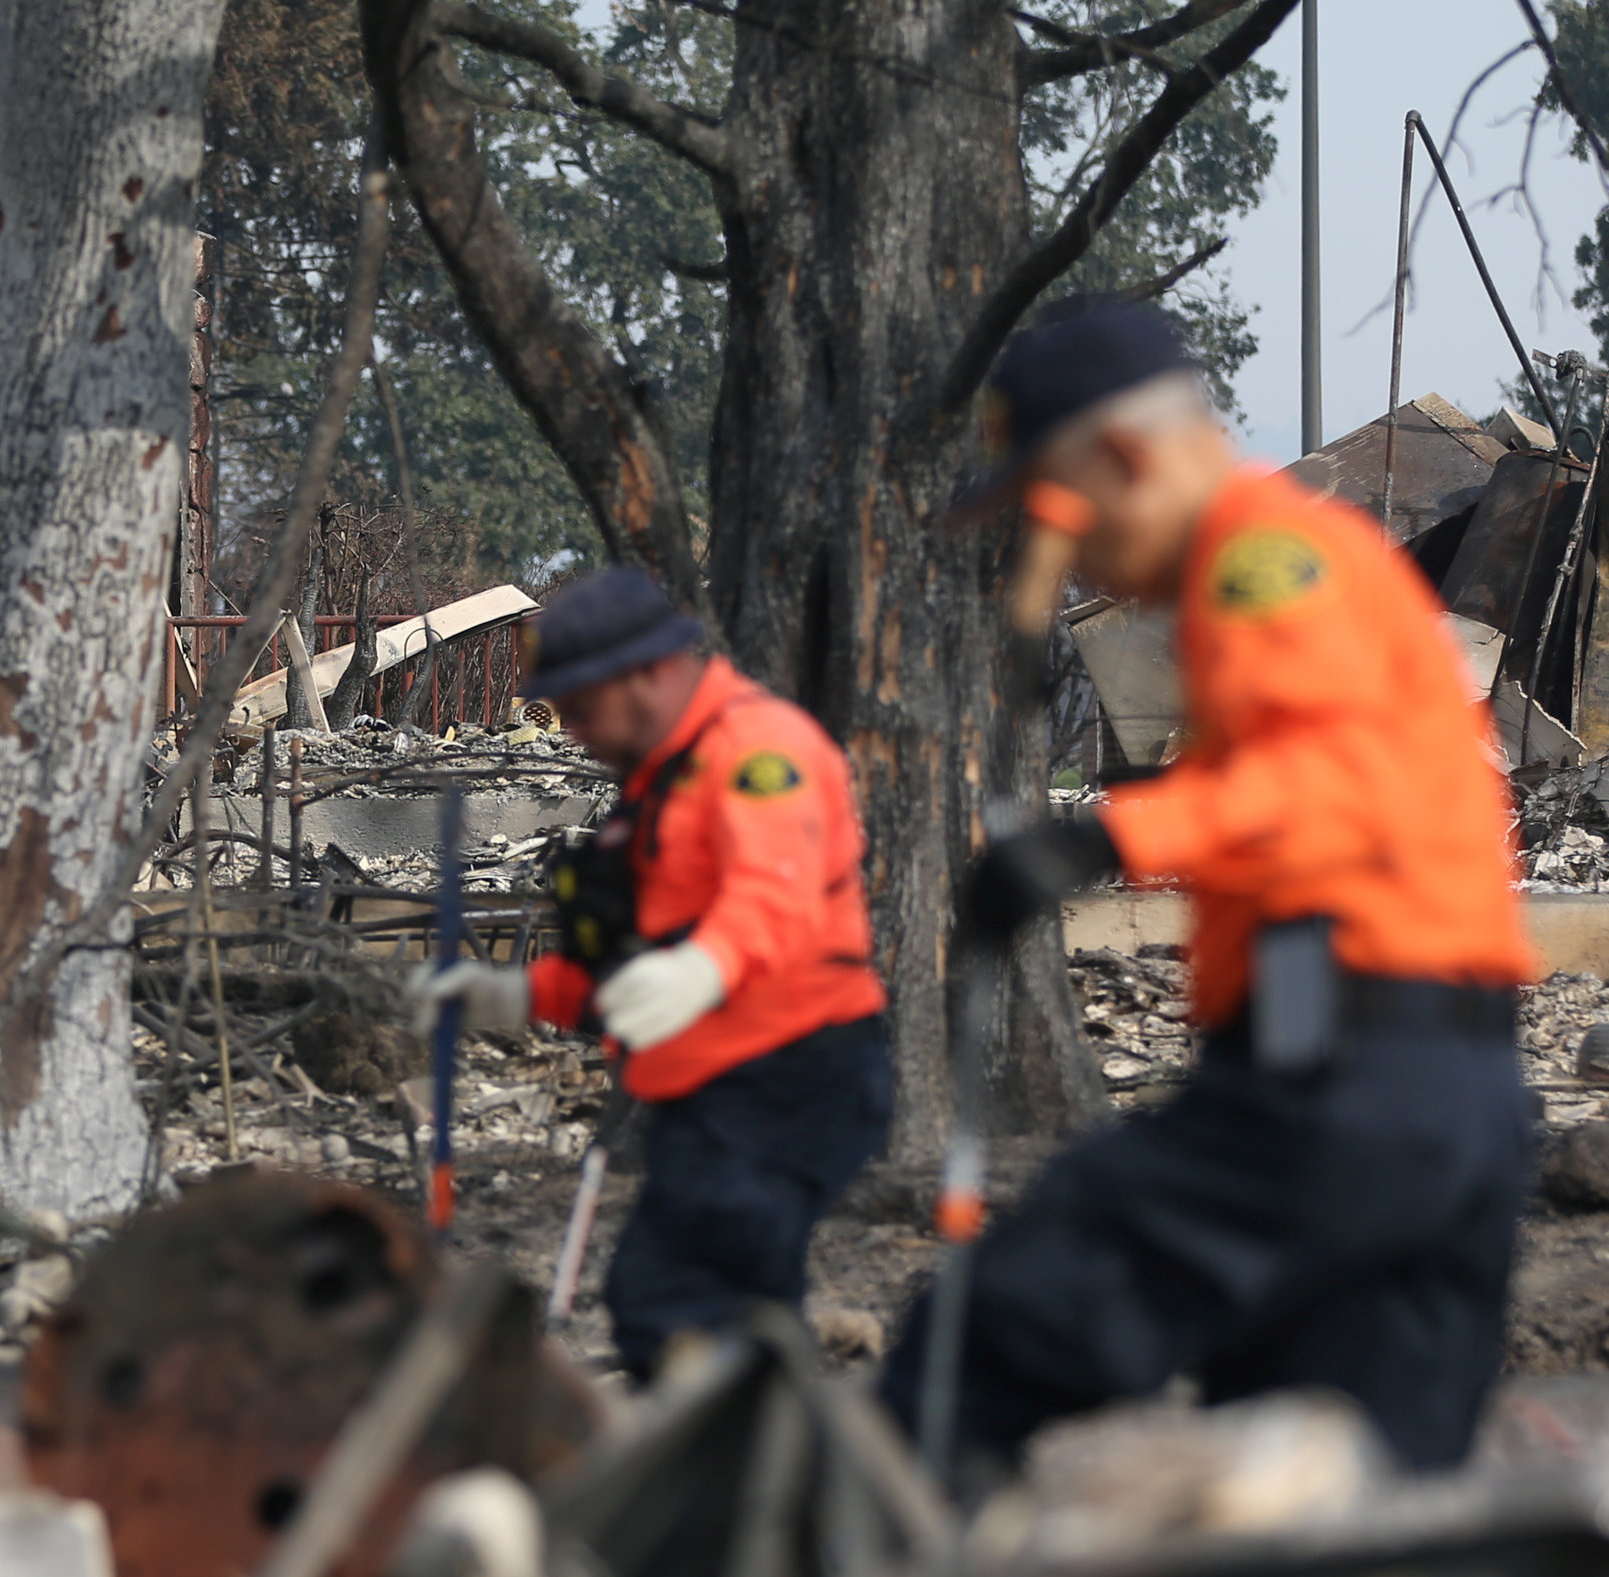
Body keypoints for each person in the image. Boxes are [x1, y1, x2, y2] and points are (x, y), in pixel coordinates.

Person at [879, 300, 1540, 1474]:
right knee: (1354, 1497)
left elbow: (1320, 779)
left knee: (972, 1347)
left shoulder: (1262, 563)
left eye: (1054, 517)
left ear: (1124, 460)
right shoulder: (1287, 572)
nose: (1063, 558)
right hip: (1442, 1089)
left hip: (1347, 1080)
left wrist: (1098, 841)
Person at [415, 567, 892, 1372]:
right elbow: (632, 964)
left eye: (579, 708)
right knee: (678, 1311)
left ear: (649, 673)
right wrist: (516, 993)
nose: (569, 730)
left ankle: (772, 1472)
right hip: (709, 1099)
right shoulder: (657, 785)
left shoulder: (759, 752)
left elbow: (772, 895)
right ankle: (754, 1465)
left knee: (684, 1306)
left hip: (791, 1082)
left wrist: (704, 969)